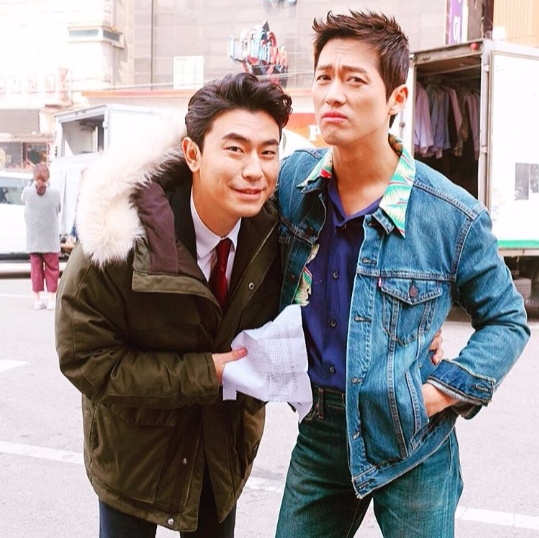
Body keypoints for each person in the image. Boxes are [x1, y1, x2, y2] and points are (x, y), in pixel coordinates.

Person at [275, 10, 530, 538]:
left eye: (354, 80)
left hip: (413, 438)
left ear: (396, 99)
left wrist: (435, 394)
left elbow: (507, 321)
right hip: (321, 432)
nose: (333, 95)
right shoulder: (294, 182)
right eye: (324, 77)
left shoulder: (451, 215)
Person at [55, 72, 292, 537]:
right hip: (132, 456)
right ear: (192, 154)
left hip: (220, 452)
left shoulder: (277, 232)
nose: (254, 170)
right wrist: (206, 373)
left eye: (268, 152)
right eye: (235, 149)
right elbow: (85, 357)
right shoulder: (120, 237)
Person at [21, 163, 61, 310]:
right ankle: (51, 300)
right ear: (48, 177)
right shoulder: (55, 193)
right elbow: (58, 209)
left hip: (33, 239)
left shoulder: (27, 192)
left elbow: (23, 199)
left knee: (36, 270)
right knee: (52, 269)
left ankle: (37, 300)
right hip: (50, 240)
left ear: (34, 176)